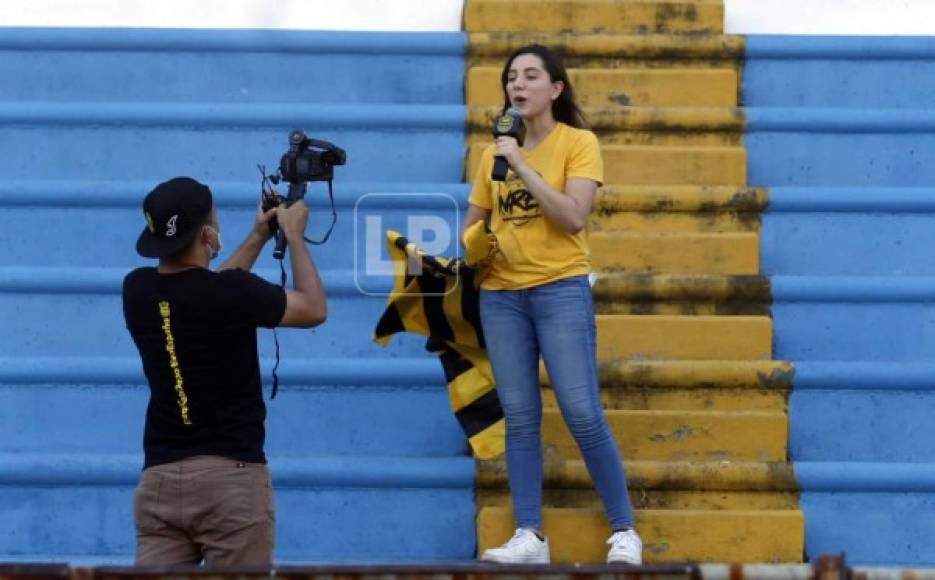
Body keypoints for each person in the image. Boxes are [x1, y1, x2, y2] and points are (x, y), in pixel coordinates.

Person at [463, 45, 642, 565]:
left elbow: (572, 217)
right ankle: (529, 536)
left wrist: (519, 161)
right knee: (519, 416)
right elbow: (473, 222)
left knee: (582, 412)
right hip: (501, 296)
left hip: (560, 289)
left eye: (530, 76)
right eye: (511, 78)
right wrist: (476, 244)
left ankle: (624, 530)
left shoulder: (577, 143)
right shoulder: (489, 154)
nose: (517, 85)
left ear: (555, 89)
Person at [122, 177, 326, 566]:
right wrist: (294, 237)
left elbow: (203, 291)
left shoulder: (136, 290)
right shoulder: (230, 293)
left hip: (160, 483)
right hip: (230, 483)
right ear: (207, 234)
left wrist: (258, 236)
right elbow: (313, 308)